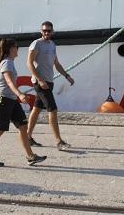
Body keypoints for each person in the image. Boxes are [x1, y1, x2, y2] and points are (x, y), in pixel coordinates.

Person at [0, 38, 47, 167]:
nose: (17, 49)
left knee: (23, 126)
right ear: (10, 49)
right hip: (3, 100)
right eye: (16, 47)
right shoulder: (7, 62)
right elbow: (8, 81)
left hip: (11, 100)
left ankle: (30, 156)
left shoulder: (8, 62)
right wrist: (20, 94)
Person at [26, 21, 74, 151]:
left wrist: (67, 76)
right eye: (44, 30)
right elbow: (29, 63)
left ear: (52, 31)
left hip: (49, 82)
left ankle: (27, 137)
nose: (46, 33)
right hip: (40, 83)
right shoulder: (36, 44)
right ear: (41, 31)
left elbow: (56, 64)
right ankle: (59, 141)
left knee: (36, 109)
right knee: (52, 109)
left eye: (48, 30)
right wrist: (40, 80)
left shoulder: (52, 45)